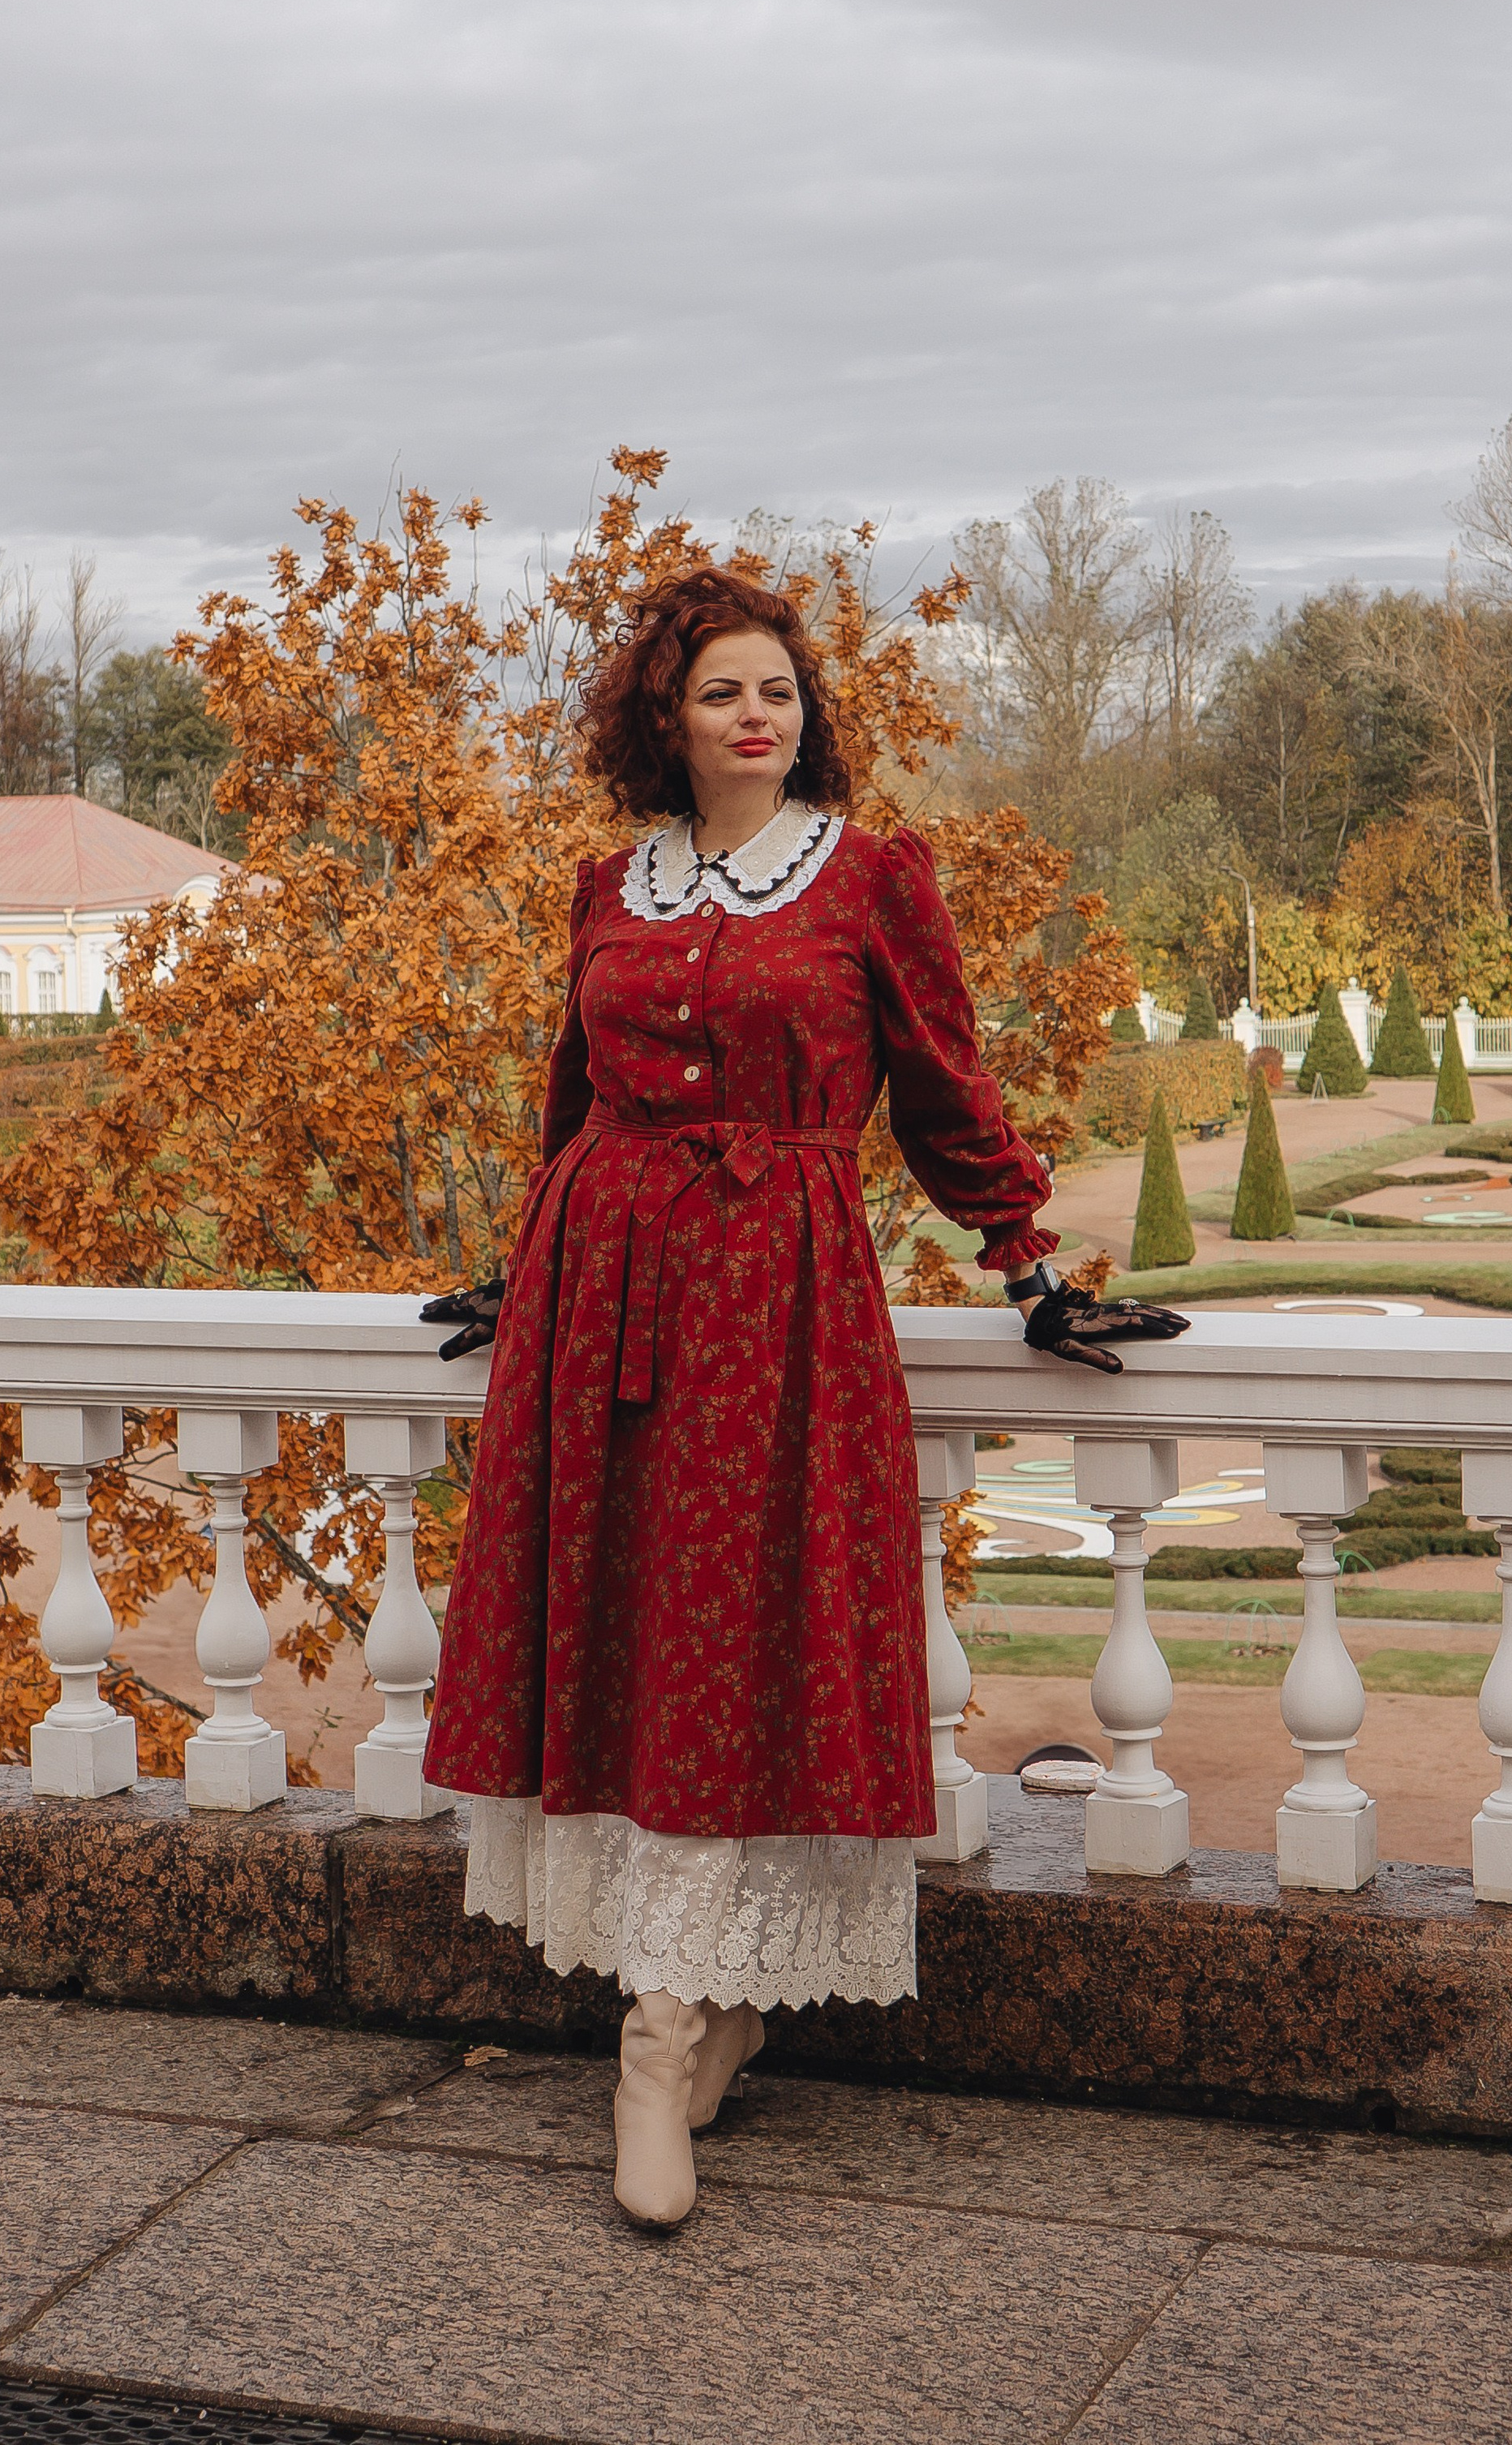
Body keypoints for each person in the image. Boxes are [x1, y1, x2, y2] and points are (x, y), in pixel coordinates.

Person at [422, 566, 1184, 2228]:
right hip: (600, 1289)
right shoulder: (599, 887)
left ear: (802, 715)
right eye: (719, 694)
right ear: (666, 721)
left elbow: (941, 1081)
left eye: (775, 690)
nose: (754, 716)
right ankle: (692, 2011)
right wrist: (514, 1268)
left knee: (741, 1644)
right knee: (629, 1645)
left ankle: (663, 2037)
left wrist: (1025, 1259)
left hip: (777, 1298)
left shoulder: (868, 880)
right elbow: (570, 1091)